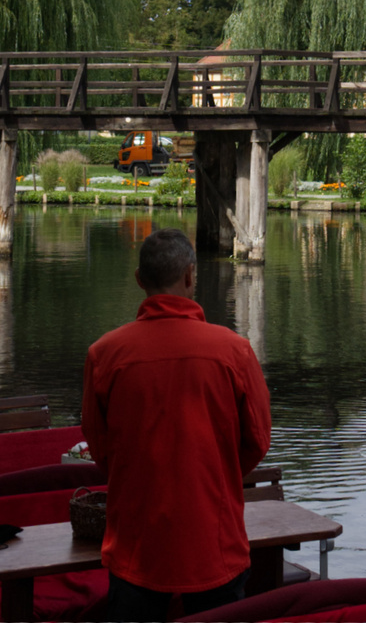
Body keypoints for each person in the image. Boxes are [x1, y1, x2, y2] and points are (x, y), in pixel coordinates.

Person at [82, 229, 272, 622]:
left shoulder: (104, 354)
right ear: (190, 276)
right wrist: (215, 473)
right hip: (213, 542)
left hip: (135, 546)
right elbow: (257, 440)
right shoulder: (234, 351)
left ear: (139, 280)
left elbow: (100, 449)